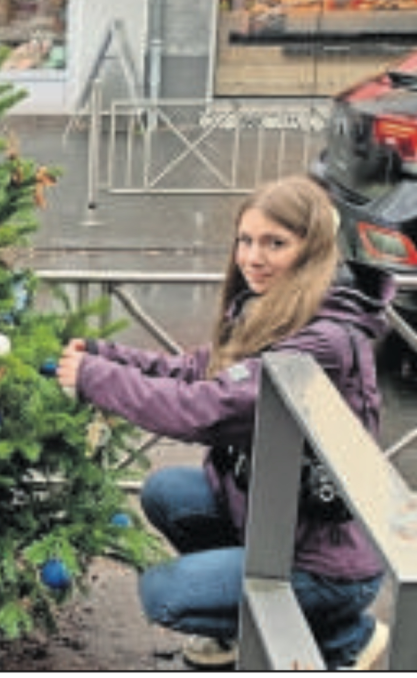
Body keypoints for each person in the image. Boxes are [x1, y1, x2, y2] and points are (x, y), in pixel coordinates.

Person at [56, 176, 393, 671]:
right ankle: (253, 627)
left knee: (165, 594)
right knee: (167, 491)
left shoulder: (322, 341)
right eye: (246, 240)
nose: (253, 257)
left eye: (275, 243)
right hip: (277, 518)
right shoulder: (271, 308)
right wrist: (105, 355)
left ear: (313, 249)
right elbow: (195, 369)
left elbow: (205, 408)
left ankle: (345, 639)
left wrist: (94, 378)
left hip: (326, 560)